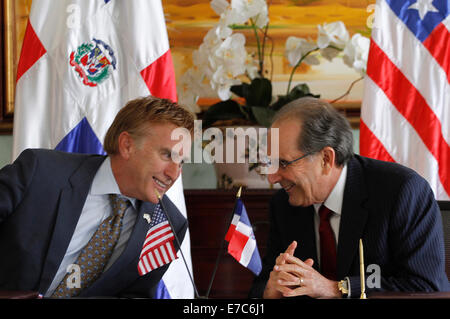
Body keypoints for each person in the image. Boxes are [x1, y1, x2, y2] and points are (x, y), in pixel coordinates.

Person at [249, 97, 449, 299]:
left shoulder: (402, 192)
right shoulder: (283, 205)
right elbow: (262, 284)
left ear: (326, 159)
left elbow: (426, 286)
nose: (272, 177)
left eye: (283, 163)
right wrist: (269, 292)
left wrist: (336, 288)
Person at [0, 96, 194, 298]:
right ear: (127, 145)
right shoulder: (41, 171)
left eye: (181, 162)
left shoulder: (167, 224)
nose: (174, 173)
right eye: (167, 155)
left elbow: (136, 295)